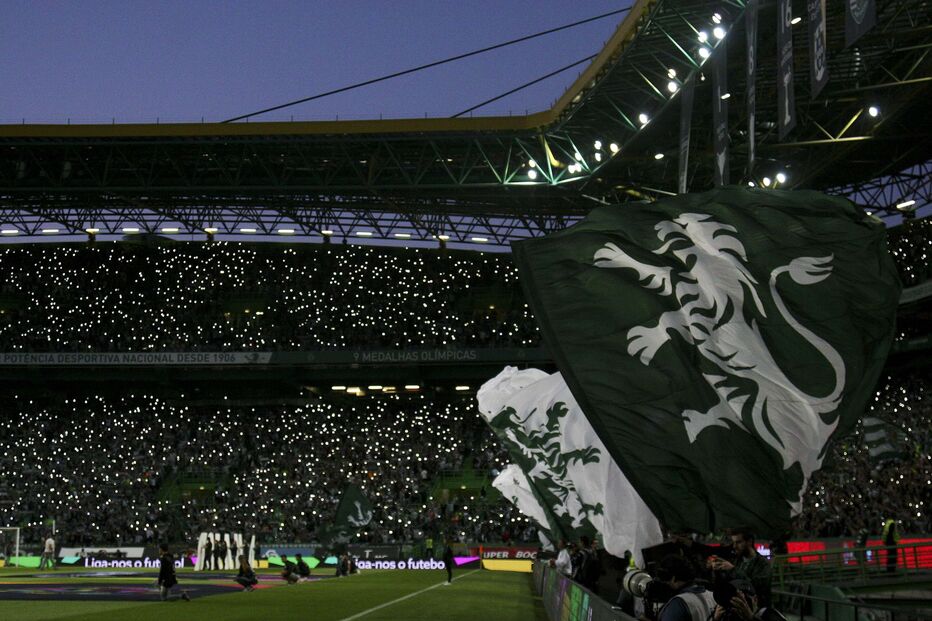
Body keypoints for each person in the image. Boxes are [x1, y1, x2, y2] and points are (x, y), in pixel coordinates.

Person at [708, 527, 772, 608]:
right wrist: (717, 569)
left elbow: (754, 587)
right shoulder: (736, 560)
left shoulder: (763, 564)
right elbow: (725, 585)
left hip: (756, 609)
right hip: (737, 606)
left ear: (749, 542)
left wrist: (732, 569)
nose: (734, 546)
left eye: (738, 542)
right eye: (733, 542)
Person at [656, 554, 715, 621]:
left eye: (665, 579)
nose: (666, 583)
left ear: (673, 578)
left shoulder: (677, 604)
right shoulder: (712, 595)